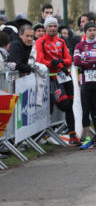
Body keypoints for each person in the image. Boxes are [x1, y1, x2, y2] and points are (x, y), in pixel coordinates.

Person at [35, 17, 78, 146]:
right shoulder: (40, 42)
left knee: (70, 106)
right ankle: (47, 131)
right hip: (52, 78)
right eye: (50, 26)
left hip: (65, 76)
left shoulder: (61, 41)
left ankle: (72, 135)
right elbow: (40, 60)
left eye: (54, 26)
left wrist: (60, 63)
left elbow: (69, 60)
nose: (53, 28)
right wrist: (51, 63)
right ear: (45, 28)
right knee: (64, 104)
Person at [73, 23, 96, 149]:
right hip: (85, 82)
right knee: (86, 110)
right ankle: (87, 138)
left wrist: (87, 62)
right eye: (90, 30)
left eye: (94, 30)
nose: (92, 32)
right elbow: (77, 61)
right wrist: (94, 61)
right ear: (85, 32)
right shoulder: (80, 45)